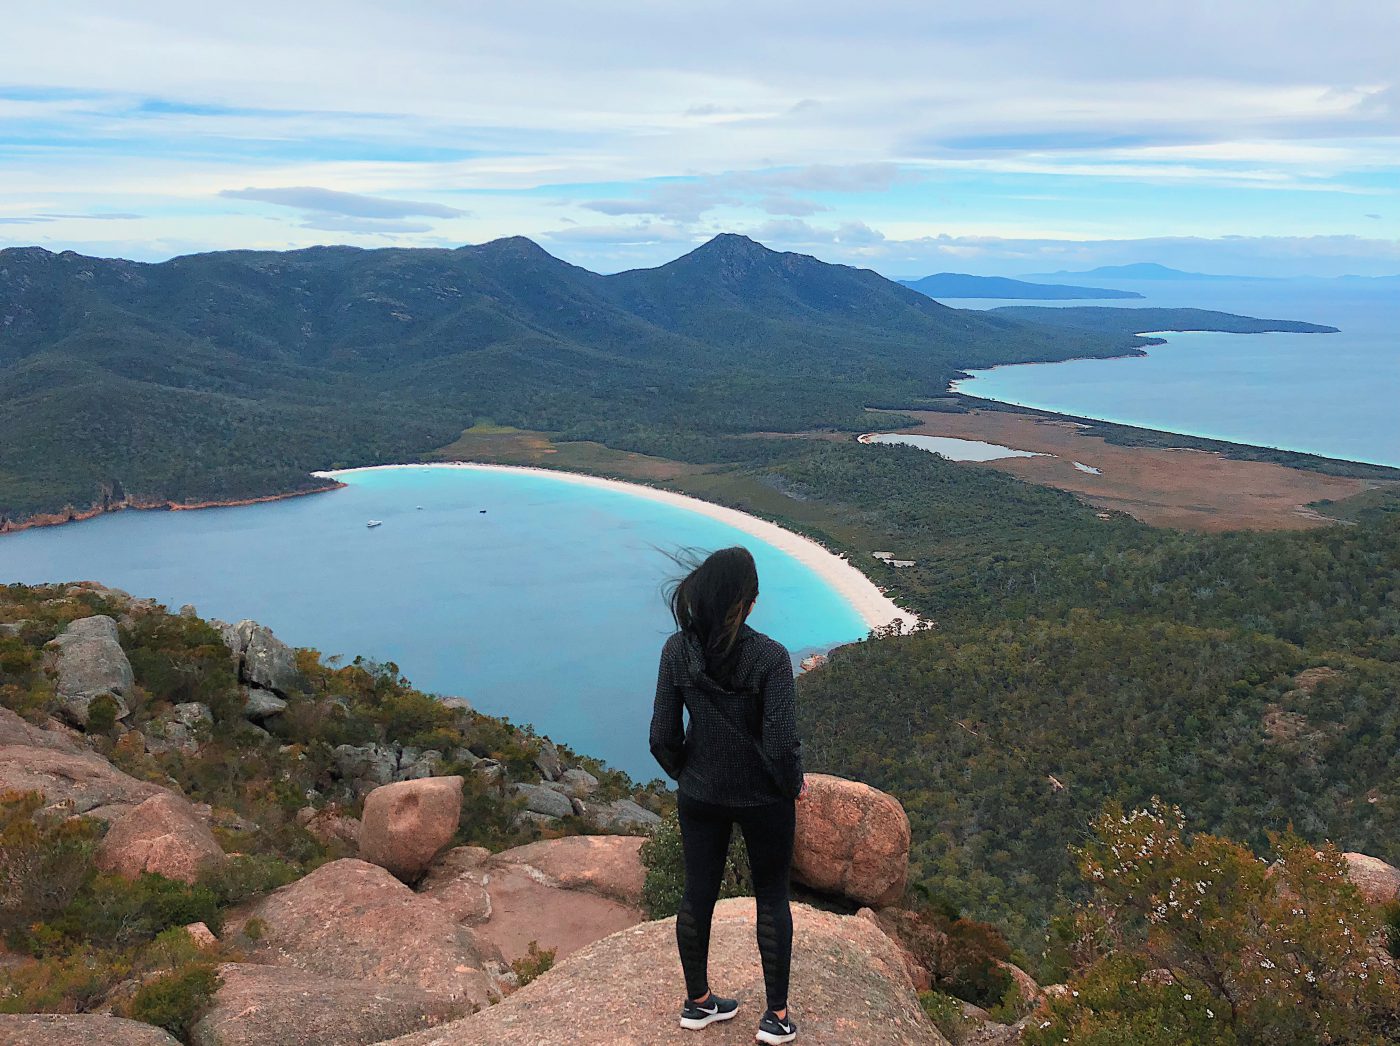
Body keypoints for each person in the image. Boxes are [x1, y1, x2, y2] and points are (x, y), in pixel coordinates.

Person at [649, 546, 805, 1044]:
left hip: (701, 794)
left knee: (697, 894)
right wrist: (790, 784)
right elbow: (781, 744)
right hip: (763, 801)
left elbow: (661, 737)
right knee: (772, 898)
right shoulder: (771, 657)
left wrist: (689, 774)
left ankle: (698, 1004)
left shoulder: (678, 651)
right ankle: (776, 1018)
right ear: (748, 602)